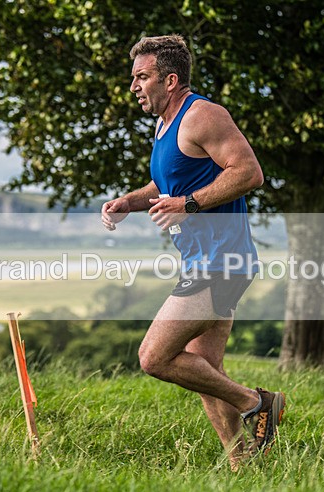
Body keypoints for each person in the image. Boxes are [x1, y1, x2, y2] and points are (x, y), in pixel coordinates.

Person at [101, 34, 285, 469]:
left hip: (222, 262)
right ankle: (244, 464)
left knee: (154, 357)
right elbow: (168, 185)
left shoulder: (202, 115)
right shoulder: (166, 126)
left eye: (141, 77)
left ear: (169, 78)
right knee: (204, 371)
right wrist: (130, 200)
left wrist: (189, 204)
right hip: (205, 261)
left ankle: (258, 402)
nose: (134, 87)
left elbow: (249, 172)